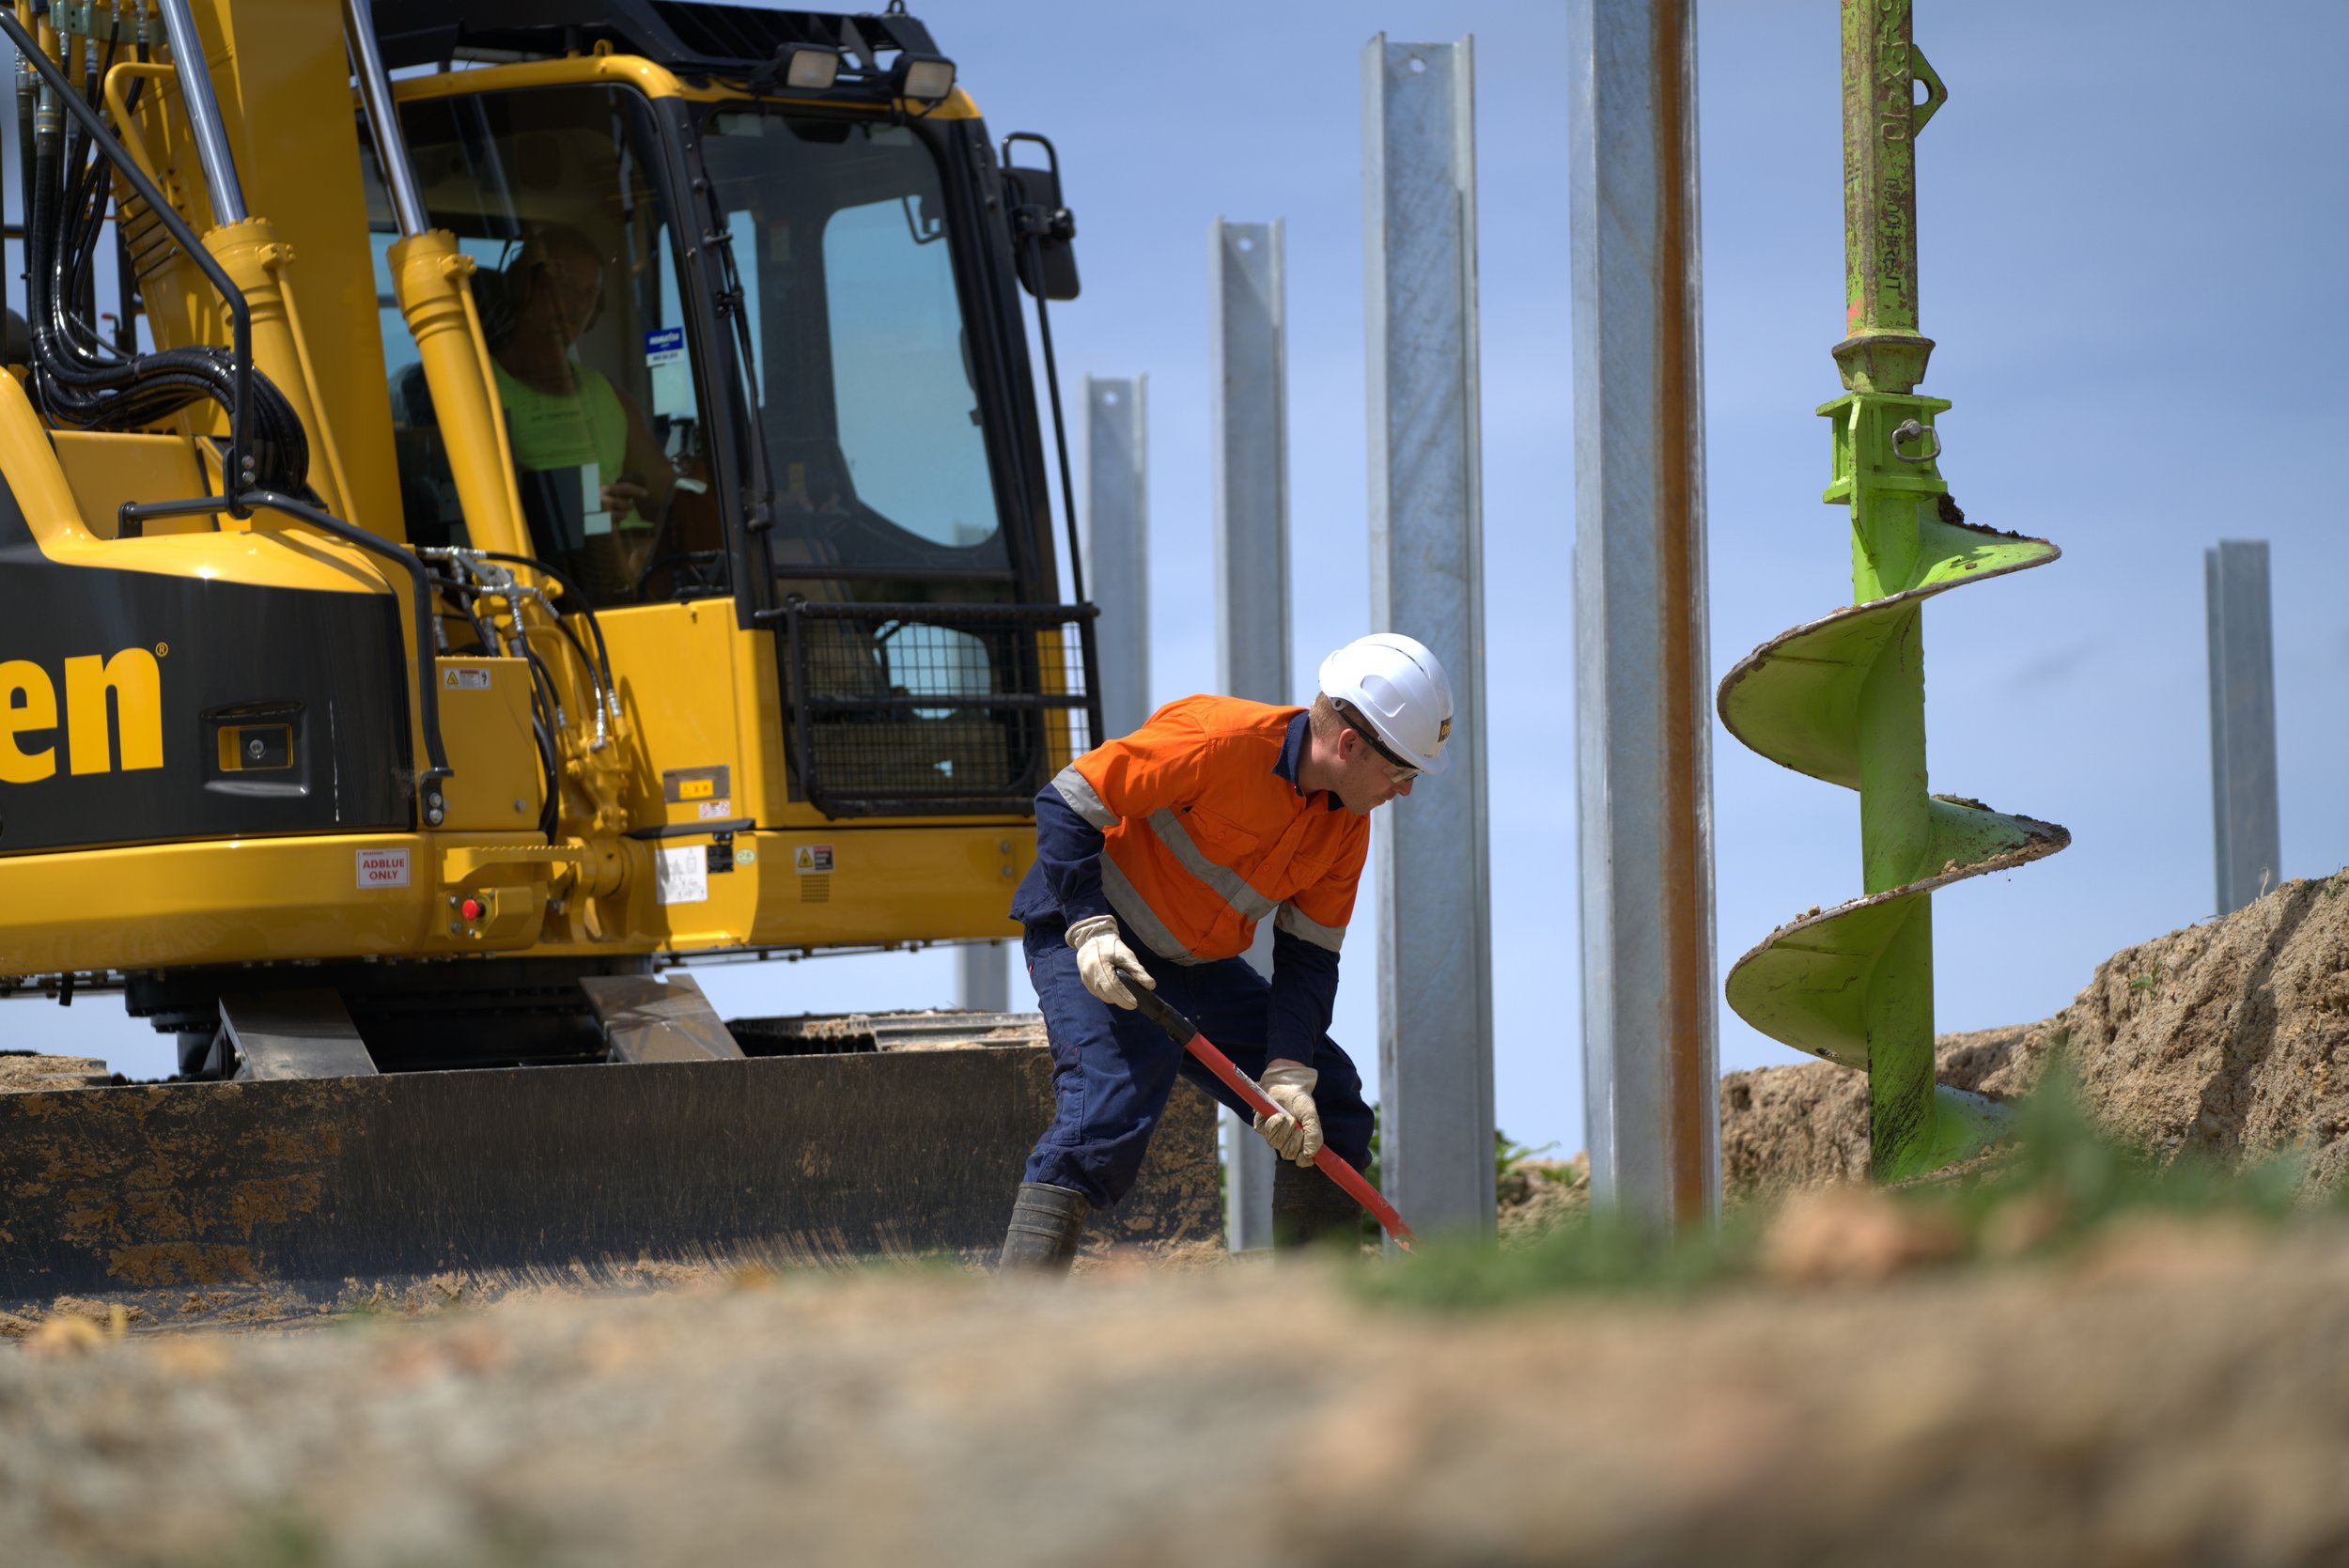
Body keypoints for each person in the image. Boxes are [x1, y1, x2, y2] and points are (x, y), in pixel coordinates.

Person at [998, 632, 1455, 1272]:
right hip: (1094, 937)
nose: (1404, 790)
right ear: (1349, 744)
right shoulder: (1217, 739)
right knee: (1101, 1120)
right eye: (1401, 769)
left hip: (1197, 966)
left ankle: (1315, 1314)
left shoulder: (1347, 824)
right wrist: (1090, 925)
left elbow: (1309, 957)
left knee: (1331, 1106)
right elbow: (1068, 800)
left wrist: (1289, 1069)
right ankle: (1019, 1308)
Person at [490, 225, 677, 598]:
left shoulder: (607, 394)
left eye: (588, 294)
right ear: (524, 290)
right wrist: (586, 506)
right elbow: (492, 502)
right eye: (564, 287)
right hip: (548, 588)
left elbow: (668, 492)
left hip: (635, 585)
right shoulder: (483, 389)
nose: (575, 306)